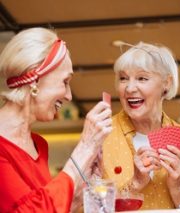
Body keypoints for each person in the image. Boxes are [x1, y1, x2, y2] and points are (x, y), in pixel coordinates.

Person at [0, 28, 112, 212]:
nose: (68, 95)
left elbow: (47, 206)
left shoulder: (38, 145)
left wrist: (79, 189)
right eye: (65, 82)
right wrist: (85, 147)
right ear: (35, 79)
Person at [99, 42, 180, 209]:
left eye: (142, 78)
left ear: (167, 84)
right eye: (123, 78)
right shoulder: (100, 135)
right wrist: (134, 184)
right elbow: (86, 207)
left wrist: (177, 189)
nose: (129, 88)